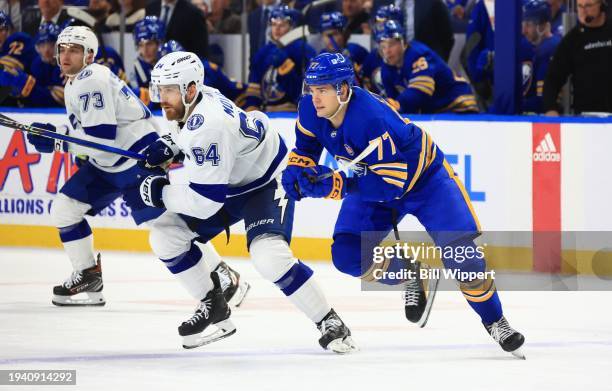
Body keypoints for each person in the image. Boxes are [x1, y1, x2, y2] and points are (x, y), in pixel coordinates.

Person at [281, 52, 526, 358]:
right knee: (346, 255)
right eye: (312, 89)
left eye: (323, 89)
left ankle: (496, 321)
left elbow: (392, 184)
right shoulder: (309, 109)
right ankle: (411, 273)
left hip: (425, 181)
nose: (315, 98)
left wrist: (337, 185)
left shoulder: (373, 118)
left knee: (462, 256)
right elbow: (305, 148)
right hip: (374, 179)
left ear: (343, 89)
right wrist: (295, 171)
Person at [24, 27, 248, 339]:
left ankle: (222, 274)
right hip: (105, 164)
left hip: (136, 161)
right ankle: (89, 275)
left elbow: (100, 136)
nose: (65, 55)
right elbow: (90, 133)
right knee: (64, 209)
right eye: (62, 48)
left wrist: (59, 141)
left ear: (89, 55)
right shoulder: (77, 83)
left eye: (74, 49)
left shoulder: (93, 78)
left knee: (167, 227)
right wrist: (59, 136)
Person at [127, 50, 357, 353]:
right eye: (160, 89)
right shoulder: (194, 100)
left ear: (190, 89)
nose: (162, 97)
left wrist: (160, 193)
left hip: (265, 181)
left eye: (169, 90)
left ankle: (329, 320)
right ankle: (213, 304)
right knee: (165, 234)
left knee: (269, 257)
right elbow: (189, 137)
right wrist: (170, 145)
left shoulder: (207, 124)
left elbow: (206, 201)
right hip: (232, 181)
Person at [377, 20, 478, 113]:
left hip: (457, 103)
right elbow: (395, 105)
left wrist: (398, 104)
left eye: (391, 44)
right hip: (434, 110)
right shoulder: (386, 68)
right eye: (383, 47)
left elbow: (422, 89)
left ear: (403, 42)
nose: (387, 51)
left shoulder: (419, 54)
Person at [543, 0, 612, 115]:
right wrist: (550, 108)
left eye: (589, 5)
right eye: (580, 6)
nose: (583, 11)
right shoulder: (573, 39)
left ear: (602, 5)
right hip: (586, 117)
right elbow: (553, 77)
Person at [245, 5, 316, 112]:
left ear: (292, 26)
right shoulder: (263, 52)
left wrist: (286, 67)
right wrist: (252, 108)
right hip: (266, 110)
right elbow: (254, 87)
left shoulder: (303, 50)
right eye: (274, 24)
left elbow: (306, 88)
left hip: (292, 111)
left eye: (282, 25)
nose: (277, 29)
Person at [521, 0, 560, 113]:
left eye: (528, 25)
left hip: (542, 119)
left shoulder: (550, 48)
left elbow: (542, 100)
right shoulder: (534, 47)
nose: (524, 31)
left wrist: (515, 105)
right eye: (523, 24)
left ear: (542, 26)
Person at [319, 11, 368, 85]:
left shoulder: (357, 51)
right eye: (327, 35)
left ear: (343, 33)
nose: (331, 39)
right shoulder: (320, 58)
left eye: (335, 34)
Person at [129, 15, 165, 105]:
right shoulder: (136, 67)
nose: (145, 50)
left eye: (149, 44)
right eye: (141, 45)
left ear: (159, 44)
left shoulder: (170, 63)